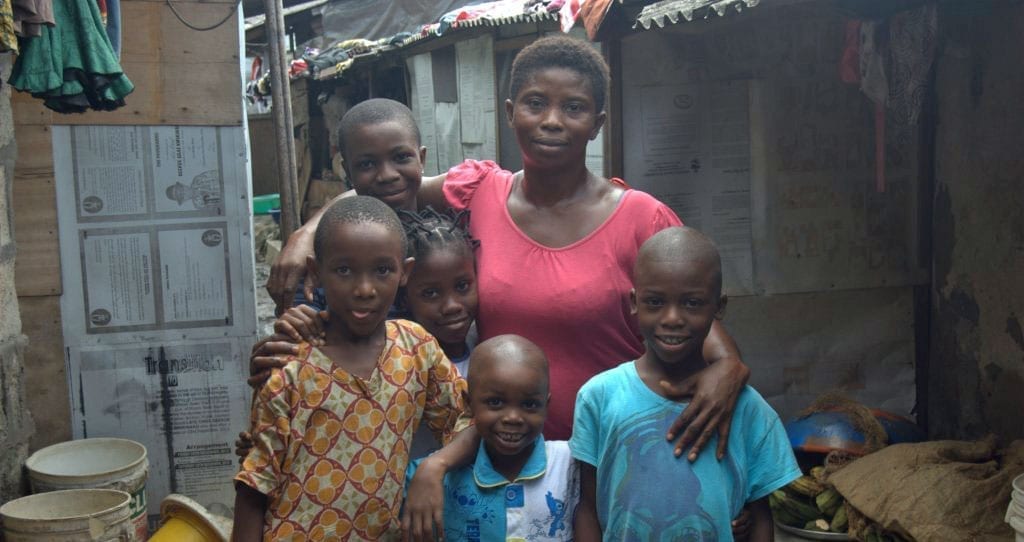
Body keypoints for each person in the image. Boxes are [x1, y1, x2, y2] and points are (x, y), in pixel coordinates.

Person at [264, 34, 749, 458]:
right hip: (503, 459)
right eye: (536, 103)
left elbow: (694, 317)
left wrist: (728, 366)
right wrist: (306, 233)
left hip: (620, 452)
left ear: (598, 122)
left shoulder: (642, 218)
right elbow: (385, 184)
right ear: (510, 112)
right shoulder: (480, 192)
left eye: (574, 107)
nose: (552, 121)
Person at [232, 196, 471, 541]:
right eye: (344, 270)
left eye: (382, 270)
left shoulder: (416, 348)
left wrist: (434, 466)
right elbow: (254, 485)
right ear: (316, 273)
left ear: (405, 272)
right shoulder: (290, 365)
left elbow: (467, 422)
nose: (364, 290)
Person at [571, 227, 801, 541]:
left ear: (719, 307)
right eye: (654, 302)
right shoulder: (599, 397)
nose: (673, 318)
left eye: (692, 303)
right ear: (634, 302)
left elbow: (761, 516)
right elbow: (588, 505)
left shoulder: (748, 409)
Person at [405, 335, 579, 541]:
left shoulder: (569, 464)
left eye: (530, 404)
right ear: (468, 403)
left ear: (545, 405)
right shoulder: (428, 478)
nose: (513, 418)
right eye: (495, 402)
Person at [273, 97, 428, 313]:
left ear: (422, 158)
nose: (387, 175)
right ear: (347, 171)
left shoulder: (443, 239)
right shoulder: (326, 250)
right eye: (367, 164)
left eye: (401, 157)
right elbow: (300, 332)